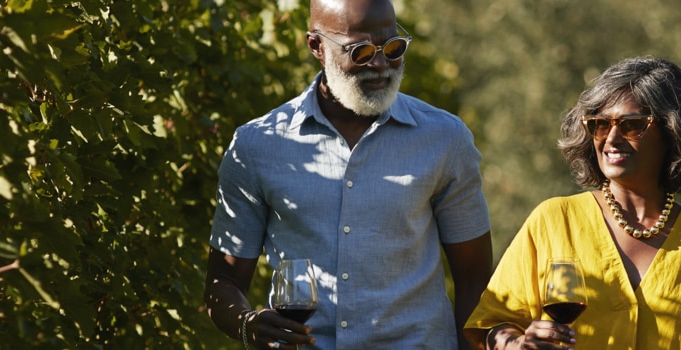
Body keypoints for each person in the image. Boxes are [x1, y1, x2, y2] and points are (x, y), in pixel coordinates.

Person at [202, 0, 493, 348]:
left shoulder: (445, 138)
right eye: (361, 52)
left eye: (393, 47)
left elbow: (475, 281)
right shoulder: (257, 145)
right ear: (316, 46)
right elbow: (223, 282)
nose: (380, 64)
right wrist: (247, 324)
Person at [463, 57, 681, 349]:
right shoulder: (553, 220)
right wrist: (514, 344)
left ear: (673, 132)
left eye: (631, 125)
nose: (612, 139)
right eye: (600, 124)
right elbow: (493, 323)